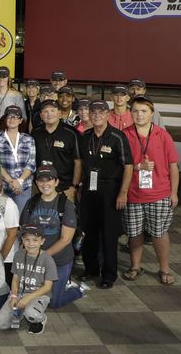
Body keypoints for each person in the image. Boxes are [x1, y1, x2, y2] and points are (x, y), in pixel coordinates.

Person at [122, 96, 179, 285]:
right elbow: (121, 165)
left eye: (144, 111)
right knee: (134, 233)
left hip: (160, 194)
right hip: (133, 194)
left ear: (152, 114)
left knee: (159, 233)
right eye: (136, 111)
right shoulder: (124, 135)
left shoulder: (162, 135)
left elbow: (173, 167)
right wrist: (138, 167)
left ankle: (164, 269)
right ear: (130, 113)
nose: (139, 115)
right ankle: (135, 266)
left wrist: (174, 193)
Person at [79, 100, 133, 289]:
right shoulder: (85, 136)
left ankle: (109, 274)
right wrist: (78, 187)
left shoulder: (117, 136)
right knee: (88, 231)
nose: (97, 115)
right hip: (89, 189)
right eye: (93, 112)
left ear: (108, 115)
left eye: (101, 112)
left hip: (110, 189)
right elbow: (80, 163)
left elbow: (128, 166)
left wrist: (123, 193)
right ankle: (91, 268)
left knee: (109, 235)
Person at [20, 165, 86, 308]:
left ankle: (78, 290)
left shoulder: (65, 205)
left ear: (56, 182)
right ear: (36, 183)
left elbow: (66, 239)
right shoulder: (31, 203)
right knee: (27, 296)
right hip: (35, 261)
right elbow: (23, 232)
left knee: (54, 302)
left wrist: (42, 256)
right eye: (41, 181)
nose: (45, 184)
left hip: (59, 262)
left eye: (48, 180)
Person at [0, 223, 58, 334]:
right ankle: (21, 313)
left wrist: (27, 299)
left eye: (35, 240)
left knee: (32, 314)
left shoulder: (48, 259)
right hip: (20, 293)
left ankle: (40, 319)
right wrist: (14, 296)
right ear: (22, 240)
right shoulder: (18, 255)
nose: (31, 244)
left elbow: (48, 287)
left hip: (38, 294)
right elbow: (15, 278)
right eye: (27, 239)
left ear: (42, 241)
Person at [31, 99, 81, 201]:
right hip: (40, 187)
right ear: (41, 115)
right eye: (45, 111)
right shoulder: (35, 133)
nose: (49, 114)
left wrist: (74, 187)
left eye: (52, 111)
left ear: (59, 113)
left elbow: (78, 162)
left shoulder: (71, 133)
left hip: (65, 188)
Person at [0, 105, 36, 212]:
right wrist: (11, 181)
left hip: (23, 187)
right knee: (4, 220)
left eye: (15, 117)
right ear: (5, 119)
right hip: (4, 187)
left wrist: (19, 181)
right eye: (9, 116)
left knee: (21, 220)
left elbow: (31, 163)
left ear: (20, 121)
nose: (12, 119)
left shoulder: (28, 139)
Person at [0, 66, 25, 132]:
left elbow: (22, 117)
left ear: (8, 78)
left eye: (4, 77)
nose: (1, 79)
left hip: (9, 133)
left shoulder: (16, 95)